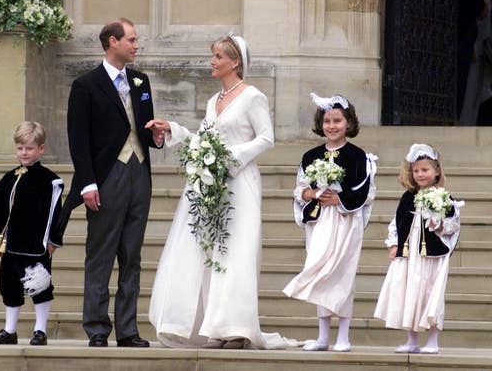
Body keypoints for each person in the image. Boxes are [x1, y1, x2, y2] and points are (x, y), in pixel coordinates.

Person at [146, 36, 296, 349]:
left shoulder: (253, 96)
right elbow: (204, 137)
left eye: (218, 57)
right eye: (212, 56)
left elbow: (267, 138)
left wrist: (232, 158)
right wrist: (173, 129)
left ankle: (237, 328)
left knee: (236, 253)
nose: (212, 62)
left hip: (240, 182)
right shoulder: (213, 100)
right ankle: (215, 326)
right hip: (211, 183)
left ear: (235, 62)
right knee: (210, 252)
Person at [56, 17, 162, 348]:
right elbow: (78, 139)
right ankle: (98, 328)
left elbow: (144, 127)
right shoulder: (86, 85)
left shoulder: (141, 81)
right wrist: (87, 183)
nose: (136, 44)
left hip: (139, 173)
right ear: (112, 42)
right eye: (131, 39)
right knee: (101, 255)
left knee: (132, 255)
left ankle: (128, 330)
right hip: (105, 176)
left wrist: (157, 137)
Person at [282, 93, 377, 352]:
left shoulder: (358, 156)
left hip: (345, 220)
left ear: (349, 123)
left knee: (343, 273)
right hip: (320, 221)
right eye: (327, 121)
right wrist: (312, 194)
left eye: (337, 120)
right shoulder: (311, 155)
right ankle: (323, 335)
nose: (332, 126)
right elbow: (299, 188)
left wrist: (340, 198)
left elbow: (366, 190)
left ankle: (343, 336)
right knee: (321, 272)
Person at [0, 121, 63, 346]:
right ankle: (10, 330)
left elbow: (56, 213)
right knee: (9, 287)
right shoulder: (11, 177)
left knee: (40, 286)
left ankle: (40, 330)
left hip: (36, 245)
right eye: (20, 148)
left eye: (29, 148)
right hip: (11, 245)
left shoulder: (50, 180)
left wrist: (54, 240)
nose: (24, 153)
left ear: (41, 149)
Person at [374, 144, 462, 354]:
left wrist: (439, 225)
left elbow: (453, 224)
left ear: (436, 171)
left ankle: (432, 340)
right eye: (416, 170)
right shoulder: (407, 197)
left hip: (432, 255)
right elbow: (396, 223)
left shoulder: (444, 197)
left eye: (425, 170)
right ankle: (411, 340)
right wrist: (393, 244)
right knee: (409, 293)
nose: (420, 174)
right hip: (409, 254)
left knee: (430, 294)